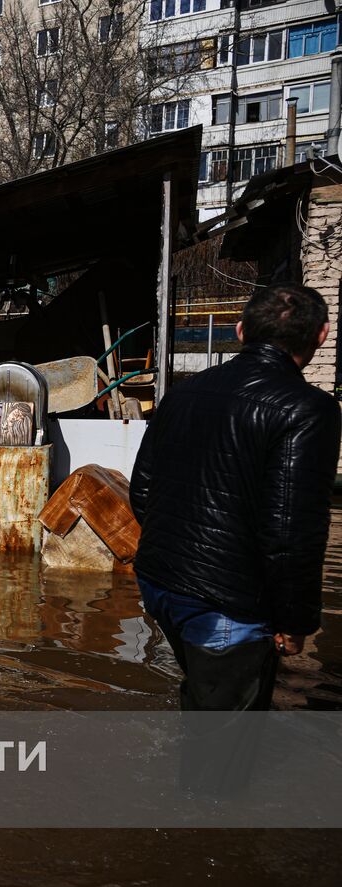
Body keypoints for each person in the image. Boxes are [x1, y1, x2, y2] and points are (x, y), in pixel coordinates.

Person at [131, 284, 340, 711]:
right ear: (321, 335)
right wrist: (295, 620)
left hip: (161, 584)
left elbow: (143, 490)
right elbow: (291, 531)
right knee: (226, 751)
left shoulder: (182, 394)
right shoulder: (308, 408)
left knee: (203, 704)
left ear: (241, 331)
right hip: (228, 604)